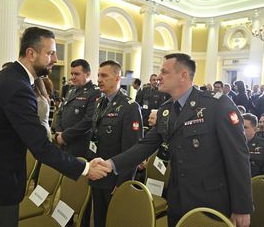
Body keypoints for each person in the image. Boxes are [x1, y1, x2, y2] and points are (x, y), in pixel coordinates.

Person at [0, 27, 110, 227]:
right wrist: (85, 168)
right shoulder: (17, 87)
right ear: (31, 53)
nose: (55, 59)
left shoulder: (10, 78)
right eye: (50, 53)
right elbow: (40, 146)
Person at [95, 53, 253, 227]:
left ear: (183, 75)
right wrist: (111, 164)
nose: (159, 77)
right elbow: (145, 145)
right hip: (177, 197)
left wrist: (242, 206)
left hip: (210, 201)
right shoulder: (166, 110)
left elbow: (238, 157)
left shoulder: (217, 105)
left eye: (164, 71)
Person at [89, 60, 143, 227]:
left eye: (104, 76)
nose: (99, 80)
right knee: (99, 217)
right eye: (98, 75)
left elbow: (133, 149)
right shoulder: (100, 102)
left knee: (114, 220)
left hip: (114, 178)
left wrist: (123, 182)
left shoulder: (130, 107)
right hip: (97, 171)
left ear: (117, 78)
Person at [55, 59, 101, 158]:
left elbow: (88, 120)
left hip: (78, 144)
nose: (72, 77)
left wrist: (65, 136)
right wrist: (59, 132)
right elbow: (60, 113)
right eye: (71, 74)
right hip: (62, 141)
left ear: (87, 74)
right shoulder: (71, 90)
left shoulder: (94, 92)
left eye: (76, 74)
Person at [243, 113, 264, 177]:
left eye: (245, 127)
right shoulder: (231, 144)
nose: (241, 130)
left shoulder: (262, 145)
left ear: (254, 129)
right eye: (239, 127)